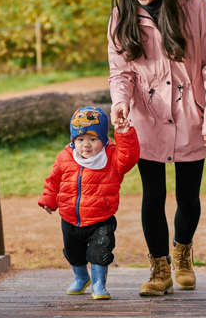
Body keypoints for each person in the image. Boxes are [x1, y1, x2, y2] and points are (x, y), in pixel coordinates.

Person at [107, 0, 206, 296]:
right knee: (153, 194)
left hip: (192, 113)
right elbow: (121, 72)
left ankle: (183, 254)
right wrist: (120, 102)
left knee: (188, 196)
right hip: (147, 117)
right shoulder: (122, 13)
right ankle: (159, 268)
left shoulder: (195, 5)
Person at [38, 106, 140, 300]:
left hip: (101, 218)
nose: (86, 145)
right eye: (80, 139)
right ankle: (81, 277)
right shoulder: (64, 158)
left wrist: (124, 133)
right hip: (69, 218)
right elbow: (53, 181)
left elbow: (129, 156)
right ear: (73, 140)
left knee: (100, 251)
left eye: (93, 139)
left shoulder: (112, 159)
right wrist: (48, 199)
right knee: (73, 252)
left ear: (103, 140)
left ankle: (99, 284)